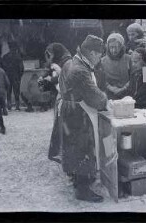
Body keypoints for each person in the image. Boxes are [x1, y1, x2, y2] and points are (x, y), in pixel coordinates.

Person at [59, 35, 108, 203]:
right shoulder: (80, 70)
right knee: (84, 148)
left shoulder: (77, 62)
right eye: (100, 55)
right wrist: (106, 101)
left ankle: (78, 178)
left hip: (72, 110)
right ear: (92, 53)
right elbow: (94, 97)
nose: (100, 58)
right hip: (78, 113)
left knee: (74, 147)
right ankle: (83, 188)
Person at [40, 43, 72, 164]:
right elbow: (51, 71)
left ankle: (61, 151)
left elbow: (65, 78)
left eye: (51, 53)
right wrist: (45, 78)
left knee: (62, 125)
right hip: (59, 96)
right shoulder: (59, 60)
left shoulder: (67, 61)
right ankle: (59, 150)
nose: (50, 56)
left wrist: (52, 79)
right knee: (59, 124)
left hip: (65, 96)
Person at [101, 33, 132, 100]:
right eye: (111, 47)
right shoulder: (102, 61)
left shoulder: (129, 59)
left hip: (126, 95)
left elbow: (133, 77)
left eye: (116, 47)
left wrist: (123, 88)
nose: (114, 50)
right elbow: (101, 78)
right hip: (109, 95)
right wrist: (111, 88)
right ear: (108, 47)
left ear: (121, 47)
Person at [1, 41, 24, 111]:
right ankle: (17, 106)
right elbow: (21, 68)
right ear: (15, 48)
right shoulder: (18, 57)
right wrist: (20, 75)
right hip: (16, 76)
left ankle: (9, 105)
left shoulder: (5, 57)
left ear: (9, 47)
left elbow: (3, 68)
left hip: (8, 76)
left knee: (8, 91)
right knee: (16, 91)